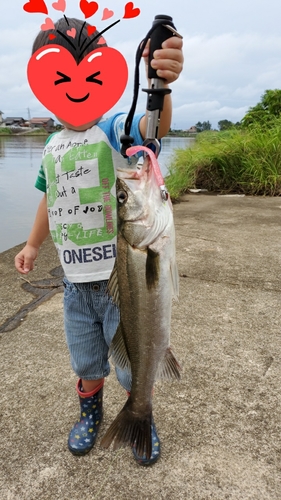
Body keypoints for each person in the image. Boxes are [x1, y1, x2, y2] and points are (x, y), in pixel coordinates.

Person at [15, 17, 183, 466]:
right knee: (87, 364)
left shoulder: (110, 130)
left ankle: (139, 413)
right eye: (59, 78)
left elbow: (154, 126)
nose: (75, 89)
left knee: (131, 364)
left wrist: (161, 83)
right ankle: (91, 413)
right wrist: (32, 246)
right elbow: (49, 201)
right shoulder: (51, 146)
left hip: (118, 288)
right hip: (74, 287)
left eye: (90, 76)